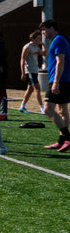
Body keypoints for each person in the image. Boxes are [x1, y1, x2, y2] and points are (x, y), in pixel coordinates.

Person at [40, 20, 70, 151]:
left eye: (44, 30)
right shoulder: (58, 40)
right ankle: (61, 141)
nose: (42, 33)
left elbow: (60, 61)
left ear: (52, 28)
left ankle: (68, 138)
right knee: (62, 110)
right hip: (62, 80)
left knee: (48, 109)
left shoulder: (58, 40)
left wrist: (56, 82)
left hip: (59, 81)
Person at [18, 31, 45, 114]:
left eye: (40, 38)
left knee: (30, 90)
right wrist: (23, 73)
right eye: (38, 38)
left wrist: (43, 45)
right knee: (37, 88)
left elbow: (45, 54)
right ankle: (42, 108)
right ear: (33, 39)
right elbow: (22, 60)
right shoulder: (27, 47)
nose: (39, 40)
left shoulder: (36, 46)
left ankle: (22, 106)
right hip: (30, 71)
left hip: (35, 70)